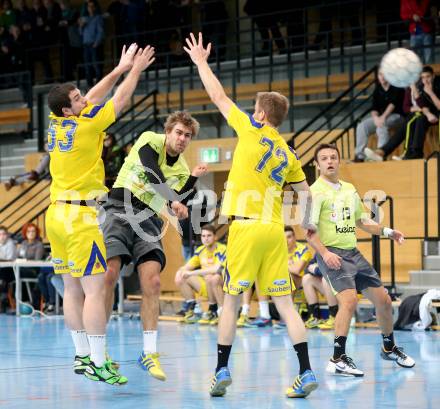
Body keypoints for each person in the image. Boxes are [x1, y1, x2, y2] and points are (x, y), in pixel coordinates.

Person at [184, 32, 318, 399]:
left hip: (244, 229)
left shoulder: (250, 128)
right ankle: (306, 371)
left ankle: (220, 370)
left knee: (229, 302)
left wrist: (200, 62)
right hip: (275, 231)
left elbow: (218, 96)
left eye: (254, 108)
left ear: (260, 114)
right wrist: (309, 227)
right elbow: (306, 195)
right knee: (286, 305)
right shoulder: (289, 155)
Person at [45, 42, 155, 385]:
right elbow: (117, 102)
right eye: (77, 100)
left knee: (71, 289)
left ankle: (80, 356)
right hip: (80, 218)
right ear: (69, 111)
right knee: (94, 292)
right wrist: (134, 70)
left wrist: (118, 68)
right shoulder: (86, 127)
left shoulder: (55, 121)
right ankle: (97, 361)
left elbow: (91, 97)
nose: (84, 101)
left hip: (55, 215)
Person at [102, 110, 207, 382]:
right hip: (119, 208)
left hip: (148, 218)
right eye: (179, 133)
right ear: (168, 131)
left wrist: (192, 179)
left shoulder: (182, 165)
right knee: (109, 274)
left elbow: (183, 195)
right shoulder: (150, 139)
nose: (183, 139)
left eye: (188, 135)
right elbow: (152, 172)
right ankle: (98, 352)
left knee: (153, 283)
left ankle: (149, 352)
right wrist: (173, 201)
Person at [307, 143, 415, 377]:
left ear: (338, 161)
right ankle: (337, 358)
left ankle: (389, 347)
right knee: (348, 302)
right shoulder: (314, 193)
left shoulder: (348, 189)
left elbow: (362, 221)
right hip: (332, 253)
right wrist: (325, 254)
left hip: (353, 252)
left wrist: (387, 231)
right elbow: (310, 234)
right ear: (317, 165)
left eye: (333, 157)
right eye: (324, 158)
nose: (329, 161)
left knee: (384, 301)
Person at [365, 66, 440, 161]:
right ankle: (387, 152)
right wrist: (419, 104)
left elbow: (435, 107)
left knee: (412, 119)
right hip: (424, 115)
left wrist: (430, 93)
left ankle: (405, 153)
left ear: (433, 76)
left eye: (428, 77)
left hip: (435, 115)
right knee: (413, 118)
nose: (425, 80)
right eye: (423, 77)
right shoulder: (419, 86)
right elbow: (412, 107)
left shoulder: (438, 84)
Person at [175, 224, 226, 325]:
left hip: (222, 287)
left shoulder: (222, 249)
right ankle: (193, 309)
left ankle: (218, 311)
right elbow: (187, 267)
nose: (206, 239)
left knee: (212, 277)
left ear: (215, 237)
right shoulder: (200, 250)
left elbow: (216, 269)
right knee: (183, 276)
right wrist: (179, 272)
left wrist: (192, 272)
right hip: (208, 286)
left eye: (209, 236)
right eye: (203, 236)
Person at [354, 70, 404, 162]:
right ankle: (359, 156)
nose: (382, 77)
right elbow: (374, 108)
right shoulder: (378, 89)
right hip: (382, 117)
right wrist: (376, 118)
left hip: (398, 116)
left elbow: (392, 104)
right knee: (362, 126)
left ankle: (380, 155)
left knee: (381, 125)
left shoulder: (396, 87)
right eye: (380, 74)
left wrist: (382, 118)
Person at [302, 255, 338, 330]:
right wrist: (319, 269)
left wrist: (316, 269)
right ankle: (315, 317)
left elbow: (334, 271)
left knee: (326, 279)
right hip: (331, 290)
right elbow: (308, 268)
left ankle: (335, 317)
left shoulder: (337, 248)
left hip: (345, 289)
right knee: (307, 278)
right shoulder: (320, 251)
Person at [0, 226, 17, 312]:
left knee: (2, 272)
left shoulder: (10, 244)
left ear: (7, 235)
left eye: (3, 234)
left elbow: (10, 259)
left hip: (11, 270)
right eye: (0, 234)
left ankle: (4, 300)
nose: (2, 236)